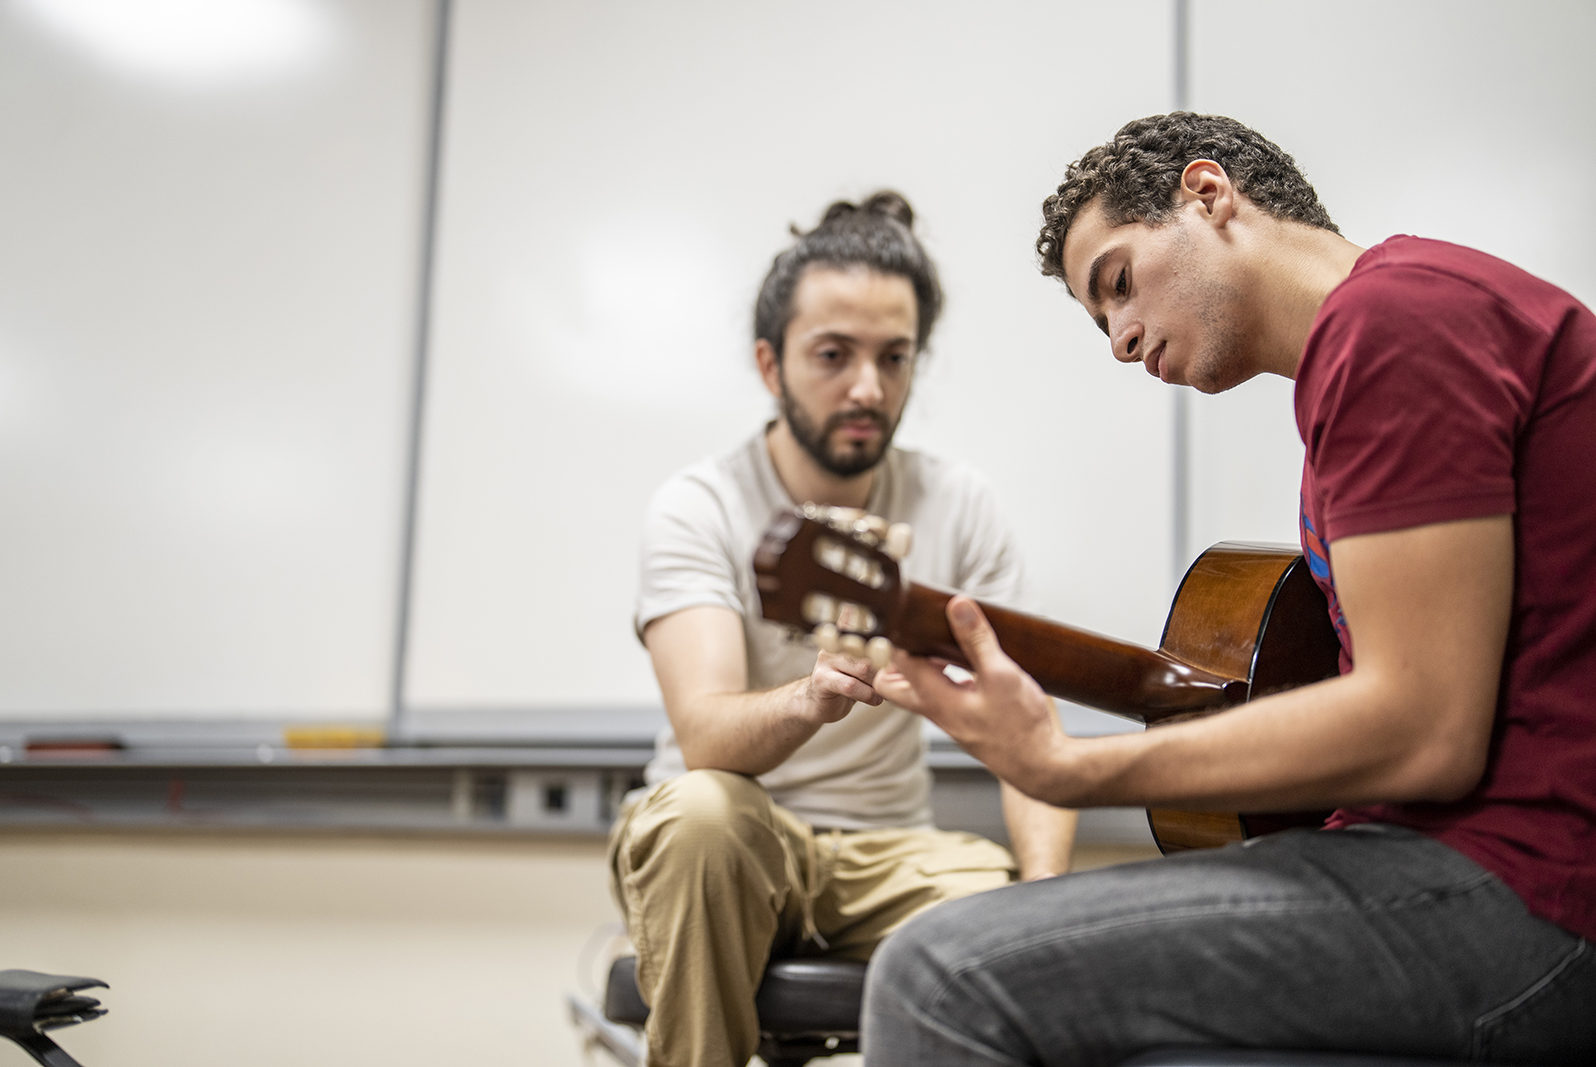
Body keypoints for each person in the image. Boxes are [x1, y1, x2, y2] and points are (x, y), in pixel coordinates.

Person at [862, 114, 1596, 1066]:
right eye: (1101, 327)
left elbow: (1424, 729)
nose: (1122, 342)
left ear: (1208, 196)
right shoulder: (1385, 343)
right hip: (1468, 864)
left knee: (943, 972)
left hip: (1528, 885)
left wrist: (1069, 769)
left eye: (1119, 284)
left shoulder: (1395, 323)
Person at [611, 191, 1079, 1067]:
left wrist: (1046, 897)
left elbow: (1030, 729)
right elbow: (706, 732)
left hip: (886, 850)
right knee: (704, 814)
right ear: (769, 364)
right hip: (726, 840)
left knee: (1029, 930)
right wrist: (811, 694)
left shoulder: (960, 504)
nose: (868, 387)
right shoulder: (700, 506)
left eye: (893, 357)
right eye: (834, 355)